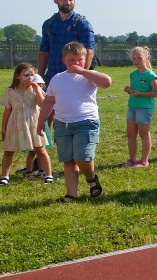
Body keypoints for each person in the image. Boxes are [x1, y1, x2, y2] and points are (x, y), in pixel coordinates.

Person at [37, 41, 113, 202]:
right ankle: (71, 194)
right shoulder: (57, 78)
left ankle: (91, 178)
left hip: (86, 122)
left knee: (82, 156)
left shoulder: (89, 76)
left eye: (80, 60)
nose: (76, 63)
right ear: (64, 60)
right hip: (62, 124)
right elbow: (49, 101)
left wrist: (83, 71)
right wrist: (41, 121)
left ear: (85, 60)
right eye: (72, 60)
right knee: (69, 160)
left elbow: (107, 82)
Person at [0, 63, 53, 185]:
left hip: (33, 123)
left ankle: (48, 175)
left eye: (32, 75)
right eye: (26, 75)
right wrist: (3, 128)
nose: (30, 78)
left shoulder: (35, 89)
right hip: (15, 124)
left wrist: (37, 89)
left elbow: (42, 104)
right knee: (9, 150)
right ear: (17, 76)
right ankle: (4, 176)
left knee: (41, 149)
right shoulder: (10, 91)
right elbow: (7, 111)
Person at [38, 0, 95, 84]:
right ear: (55, 0)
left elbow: (89, 51)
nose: (68, 2)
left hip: (74, 78)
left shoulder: (83, 24)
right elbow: (44, 52)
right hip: (52, 77)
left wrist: (82, 77)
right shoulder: (48, 24)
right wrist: (40, 77)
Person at [123, 46, 157, 167]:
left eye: (139, 58)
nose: (136, 61)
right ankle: (132, 159)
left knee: (144, 134)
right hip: (132, 106)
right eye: (134, 58)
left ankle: (144, 161)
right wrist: (129, 90)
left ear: (146, 57)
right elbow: (133, 90)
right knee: (130, 134)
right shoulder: (133, 74)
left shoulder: (150, 75)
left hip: (144, 108)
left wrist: (140, 93)